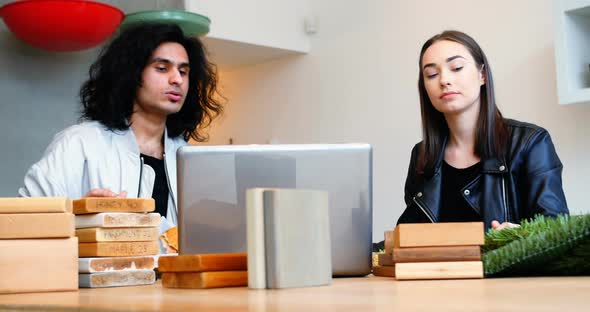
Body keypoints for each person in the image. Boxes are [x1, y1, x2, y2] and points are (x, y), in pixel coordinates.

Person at [19, 23, 223, 229]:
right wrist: (79, 217)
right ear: (132, 74)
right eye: (162, 68)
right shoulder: (79, 143)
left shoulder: (189, 159)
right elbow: (26, 222)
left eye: (183, 71)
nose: (177, 79)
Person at [397, 30, 568, 232]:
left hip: (510, 265)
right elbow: (410, 237)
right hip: (441, 265)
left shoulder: (530, 142)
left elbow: (557, 232)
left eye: (456, 67)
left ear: (482, 75)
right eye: (431, 74)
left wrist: (520, 236)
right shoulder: (423, 156)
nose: (444, 80)